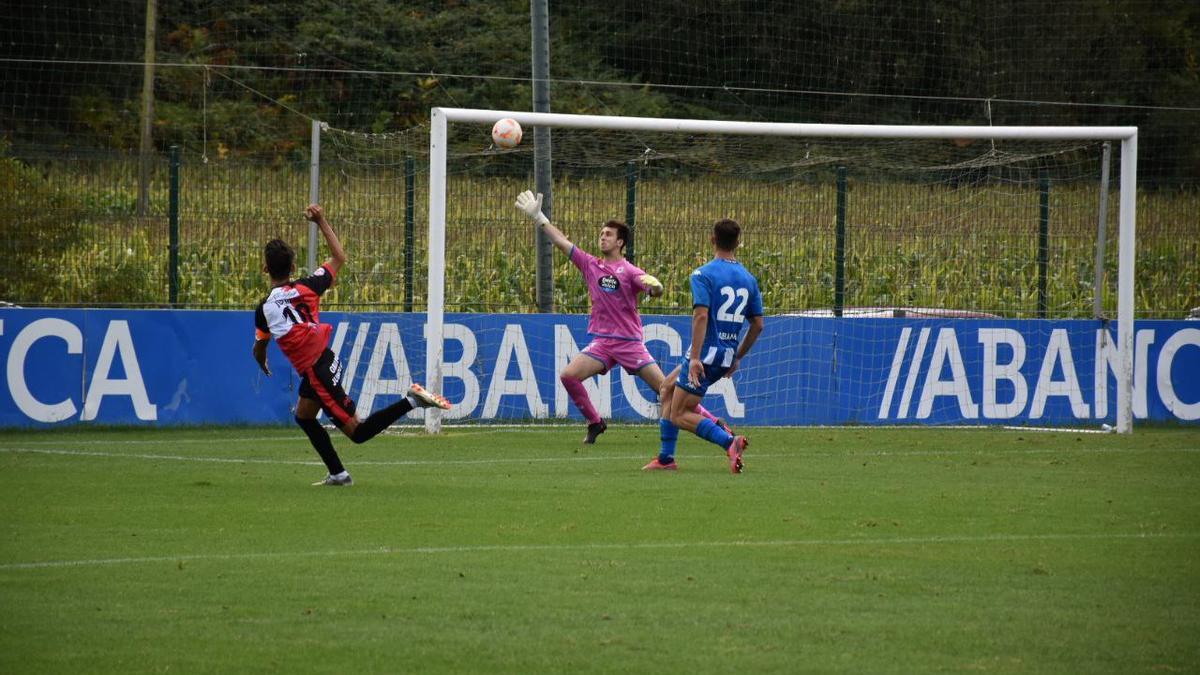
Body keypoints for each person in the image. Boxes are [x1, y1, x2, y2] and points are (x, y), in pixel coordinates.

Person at [253, 204, 451, 486]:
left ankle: (412, 400)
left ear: (264, 269)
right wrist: (321, 220)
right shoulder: (308, 286)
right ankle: (338, 473)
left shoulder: (263, 309)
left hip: (316, 371)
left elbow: (260, 345)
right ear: (294, 268)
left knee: (357, 432)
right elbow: (339, 257)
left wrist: (261, 361)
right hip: (323, 359)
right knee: (304, 416)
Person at [515, 190, 730, 444]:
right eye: (601, 234)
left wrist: (656, 288)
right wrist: (540, 218)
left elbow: (650, 286)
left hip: (629, 343)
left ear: (620, 243)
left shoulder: (628, 270)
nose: (602, 237)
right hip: (603, 342)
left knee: (667, 390)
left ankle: (714, 422)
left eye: (608, 234)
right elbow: (562, 242)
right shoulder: (590, 264)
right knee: (568, 376)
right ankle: (595, 422)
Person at [644, 218, 763, 473]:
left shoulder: (703, 274)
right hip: (723, 355)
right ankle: (666, 460)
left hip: (704, 355)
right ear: (738, 243)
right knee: (666, 388)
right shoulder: (749, 279)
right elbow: (757, 325)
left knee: (678, 414)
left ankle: (729, 441)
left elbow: (701, 316)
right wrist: (738, 356)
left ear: (712, 240)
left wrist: (695, 358)